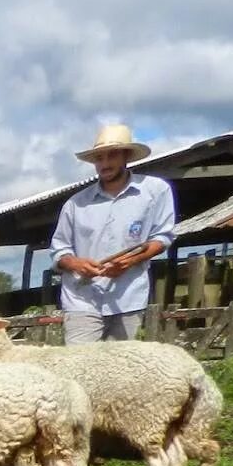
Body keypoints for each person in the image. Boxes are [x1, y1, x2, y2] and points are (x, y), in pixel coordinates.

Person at [50, 124, 175, 344]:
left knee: (122, 371)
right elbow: (59, 251)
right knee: (79, 369)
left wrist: (130, 261)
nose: (105, 164)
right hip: (81, 299)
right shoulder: (75, 204)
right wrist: (76, 264)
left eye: (112, 156)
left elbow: (162, 238)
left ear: (126, 156)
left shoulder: (155, 191)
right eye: (99, 158)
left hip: (128, 298)